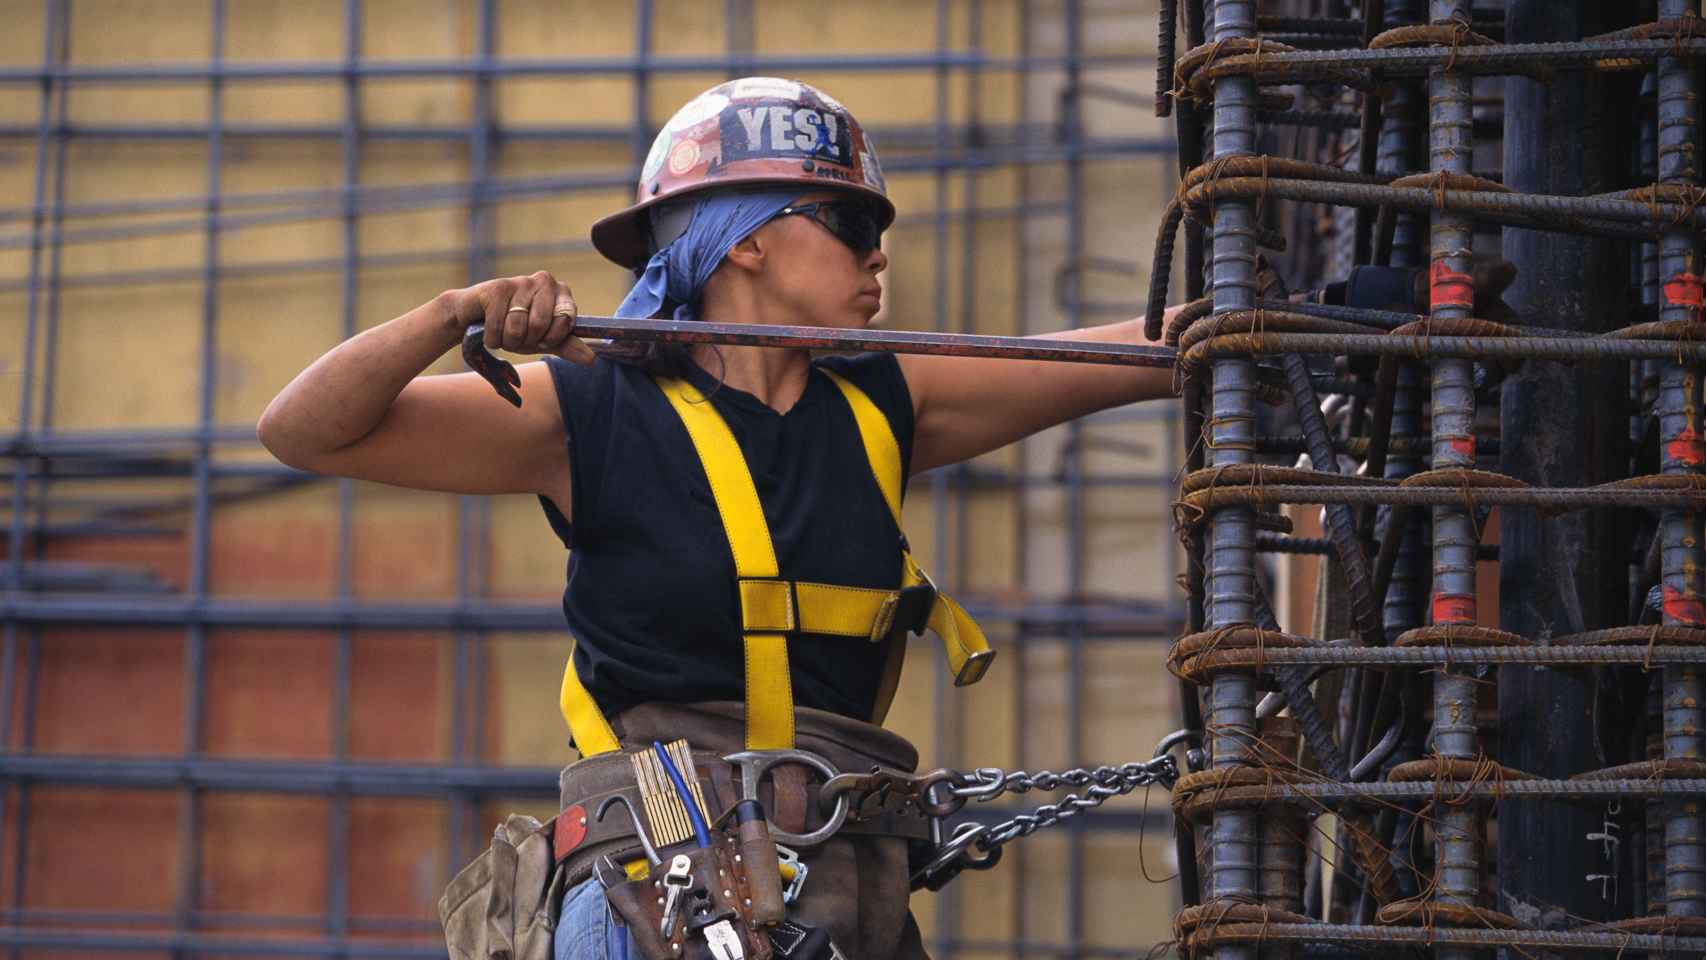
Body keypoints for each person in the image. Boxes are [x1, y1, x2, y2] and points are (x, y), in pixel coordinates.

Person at [258, 77, 1178, 960]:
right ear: (748, 242)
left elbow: (1137, 354)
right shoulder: (589, 410)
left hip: (845, 893)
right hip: (653, 896)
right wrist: (452, 315)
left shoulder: (883, 402)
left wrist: (1267, 312)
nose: (878, 254)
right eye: (852, 224)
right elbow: (302, 431)